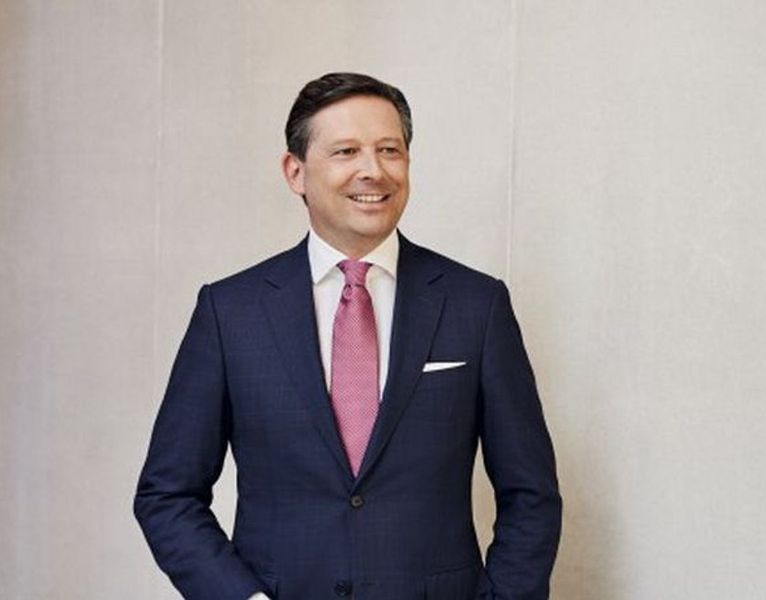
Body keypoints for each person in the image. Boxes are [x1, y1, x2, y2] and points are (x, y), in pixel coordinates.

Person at [134, 72, 562, 600]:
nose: (373, 170)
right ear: (295, 172)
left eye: (389, 150)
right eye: (346, 151)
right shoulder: (230, 312)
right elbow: (167, 495)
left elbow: (531, 495)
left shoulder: (477, 305)